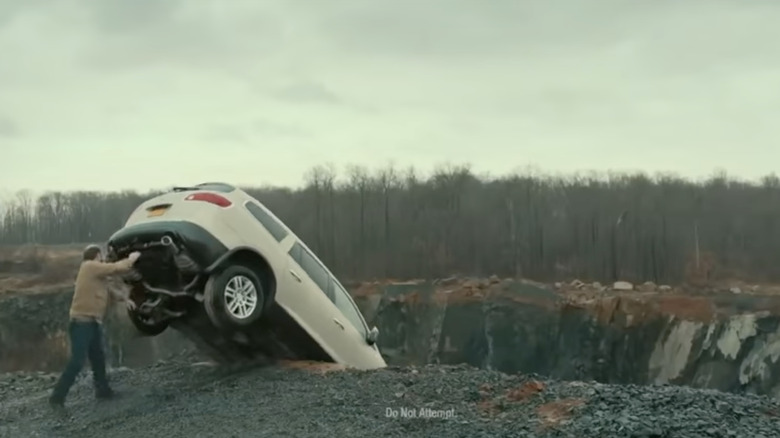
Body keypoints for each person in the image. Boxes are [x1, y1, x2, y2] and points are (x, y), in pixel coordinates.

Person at [48, 244, 141, 410]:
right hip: (81, 323)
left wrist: (125, 299)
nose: (103, 258)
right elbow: (114, 268)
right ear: (96, 255)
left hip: (93, 323)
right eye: (101, 256)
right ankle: (57, 397)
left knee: (98, 359)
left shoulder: (96, 275)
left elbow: (110, 290)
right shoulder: (89, 266)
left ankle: (103, 391)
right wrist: (131, 259)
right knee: (77, 361)